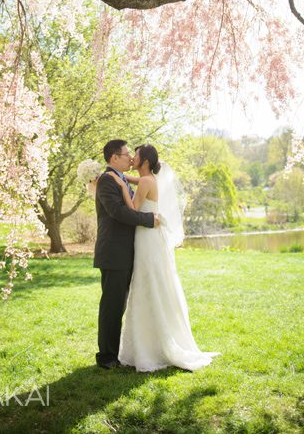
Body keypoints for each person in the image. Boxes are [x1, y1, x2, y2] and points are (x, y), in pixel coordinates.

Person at [107, 143, 221, 372]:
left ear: (145, 161)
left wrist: (120, 185)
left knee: (148, 281)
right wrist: (121, 177)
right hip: (149, 236)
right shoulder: (148, 179)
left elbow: (133, 208)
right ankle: (152, 340)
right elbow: (133, 178)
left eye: (136, 155)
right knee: (152, 281)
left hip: (147, 237)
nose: (132, 158)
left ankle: (152, 345)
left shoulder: (148, 181)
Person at [93, 139, 160, 370]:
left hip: (125, 251)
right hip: (113, 252)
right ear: (114, 158)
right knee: (112, 306)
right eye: (125, 154)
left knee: (118, 304)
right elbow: (118, 212)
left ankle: (115, 353)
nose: (130, 157)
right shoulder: (106, 181)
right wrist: (149, 220)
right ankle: (106, 357)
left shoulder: (119, 178)